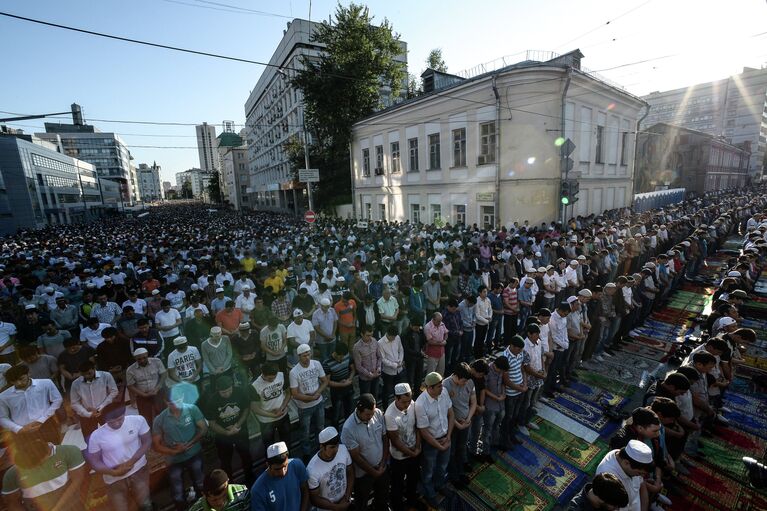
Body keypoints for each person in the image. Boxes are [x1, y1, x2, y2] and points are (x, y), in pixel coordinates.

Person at [86, 403, 153, 511]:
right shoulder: (96, 436)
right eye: (111, 422)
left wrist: (132, 461)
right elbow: (94, 462)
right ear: (105, 421)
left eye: (120, 419)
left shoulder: (137, 420)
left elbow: (147, 441)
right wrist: (113, 472)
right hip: (114, 479)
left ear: (124, 413)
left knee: (145, 504)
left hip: (139, 470)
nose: (117, 424)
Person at [1, 431, 86, 511]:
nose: (27, 469)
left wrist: (56, 508)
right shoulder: (11, 474)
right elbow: (12, 503)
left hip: (72, 507)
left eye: (31, 466)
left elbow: (77, 480)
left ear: (45, 458)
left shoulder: (70, 452)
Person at [152, 389, 208, 511]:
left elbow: (203, 428)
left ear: (182, 397)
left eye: (178, 401)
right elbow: (156, 445)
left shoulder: (192, 409)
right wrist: (173, 451)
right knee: (177, 493)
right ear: (165, 402)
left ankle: (204, 507)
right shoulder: (159, 420)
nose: (176, 405)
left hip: (194, 454)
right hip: (173, 461)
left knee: (201, 484)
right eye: (171, 403)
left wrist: (190, 443)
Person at [201, 375, 255, 487]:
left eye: (229, 390)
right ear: (218, 390)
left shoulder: (240, 392)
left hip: (240, 430)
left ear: (232, 386)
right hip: (223, 436)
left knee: (246, 456)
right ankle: (229, 484)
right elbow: (211, 423)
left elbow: (246, 408)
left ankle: (251, 479)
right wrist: (226, 432)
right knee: (225, 462)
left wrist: (238, 425)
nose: (227, 394)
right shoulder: (212, 401)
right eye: (224, 392)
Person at [340, 393, 389, 511]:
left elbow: (385, 437)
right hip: (363, 475)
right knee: (362, 502)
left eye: (372, 413)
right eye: (368, 414)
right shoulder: (348, 428)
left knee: (382, 496)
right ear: (359, 410)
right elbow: (356, 457)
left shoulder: (377, 413)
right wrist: (373, 472)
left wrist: (383, 462)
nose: (371, 416)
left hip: (381, 467)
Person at [414, 371, 454, 508]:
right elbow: (424, 432)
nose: (442, 388)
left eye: (441, 385)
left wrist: (448, 437)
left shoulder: (443, 393)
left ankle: (439, 485)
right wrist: (439, 445)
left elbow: (451, 414)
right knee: (428, 470)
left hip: (445, 438)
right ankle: (429, 493)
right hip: (431, 443)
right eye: (438, 386)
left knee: (442, 466)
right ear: (429, 388)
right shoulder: (420, 404)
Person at [0, 364, 63, 444]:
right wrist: (19, 429)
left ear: (29, 374)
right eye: (14, 381)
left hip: (46, 424)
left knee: (55, 449)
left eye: (21, 379)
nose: (18, 383)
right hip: (22, 432)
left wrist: (42, 419)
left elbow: (57, 400)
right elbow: (2, 417)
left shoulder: (45, 383)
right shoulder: (3, 396)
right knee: (30, 455)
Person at [384, 382, 421, 511]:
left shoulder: (412, 405)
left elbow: (417, 426)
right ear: (396, 399)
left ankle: (411, 502)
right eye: (404, 402)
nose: (407, 405)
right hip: (399, 457)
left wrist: (417, 446)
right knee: (397, 485)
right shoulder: (389, 415)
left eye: (409, 401)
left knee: (413, 479)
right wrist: (411, 453)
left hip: (414, 451)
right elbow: (395, 440)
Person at [290, 344, 329, 462]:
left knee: (320, 427)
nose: (306, 357)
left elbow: (324, 381)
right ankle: (306, 454)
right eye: (303, 355)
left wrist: (318, 393)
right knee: (305, 433)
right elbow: (294, 393)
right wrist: (311, 398)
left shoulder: (316, 364)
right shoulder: (294, 372)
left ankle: (320, 448)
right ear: (298, 357)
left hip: (319, 403)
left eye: (308, 354)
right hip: (305, 407)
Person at [442, 362, 476, 489]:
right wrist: (458, 424)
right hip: (453, 425)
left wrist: (468, 419)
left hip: (465, 423)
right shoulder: (445, 386)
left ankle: (460, 472)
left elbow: (473, 402)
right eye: (463, 381)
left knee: (462, 449)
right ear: (456, 376)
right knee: (451, 452)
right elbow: (446, 410)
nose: (465, 383)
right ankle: (454, 476)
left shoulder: (469, 382)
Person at [595, 440, 655, 511]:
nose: (641, 476)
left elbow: (641, 484)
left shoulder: (626, 457)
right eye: (639, 473)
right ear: (626, 463)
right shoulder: (608, 478)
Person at [250, 441, 310, 511]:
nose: (283, 472)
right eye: (277, 469)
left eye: (285, 466)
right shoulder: (258, 489)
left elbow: (305, 491)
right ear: (268, 465)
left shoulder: (297, 465)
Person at [306, 426, 353, 511]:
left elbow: (350, 473)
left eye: (337, 445)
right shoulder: (312, 469)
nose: (336, 450)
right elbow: (314, 499)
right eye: (332, 447)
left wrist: (346, 497)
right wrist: (336, 507)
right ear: (322, 447)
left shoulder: (343, 450)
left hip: (345, 502)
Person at [70, 360, 118, 439]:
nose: (87, 376)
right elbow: (74, 403)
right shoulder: (76, 383)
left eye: (89, 373)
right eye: (83, 374)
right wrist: (87, 414)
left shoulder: (106, 375)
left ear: (94, 368)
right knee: (89, 438)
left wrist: (101, 407)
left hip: (106, 409)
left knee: (112, 433)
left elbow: (114, 391)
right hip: (86, 413)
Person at [251, 362, 291, 451]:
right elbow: (254, 408)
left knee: (287, 442)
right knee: (269, 446)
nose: (272, 380)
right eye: (269, 378)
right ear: (263, 374)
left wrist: (282, 407)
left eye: (274, 377)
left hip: (282, 415)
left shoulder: (281, 375)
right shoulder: (255, 386)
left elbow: (288, 393)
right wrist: (273, 415)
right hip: (266, 421)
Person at [126, 347, 167, 425]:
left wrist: (157, 388)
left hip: (158, 392)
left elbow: (164, 374)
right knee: (145, 418)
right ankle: (150, 434)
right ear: (135, 358)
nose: (142, 360)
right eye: (139, 359)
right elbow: (130, 385)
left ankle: (165, 432)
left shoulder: (157, 361)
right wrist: (144, 395)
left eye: (144, 358)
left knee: (163, 414)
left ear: (147, 355)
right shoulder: (130, 369)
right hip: (142, 396)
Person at [500, 336, 528, 448]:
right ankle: (504, 439)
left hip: (520, 390)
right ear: (512, 346)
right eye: (519, 349)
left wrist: (525, 382)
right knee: (508, 417)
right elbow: (506, 380)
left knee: (515, 415)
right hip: (511, 394)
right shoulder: (505, 357)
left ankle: (512, 435)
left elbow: (522, 369)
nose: (520, 352)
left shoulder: (519, 353)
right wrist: (519, 388)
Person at [322, 342, 355, 427]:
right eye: (340, 356)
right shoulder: (327, 363)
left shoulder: (347, 356)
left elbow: (353, 370)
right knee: (336, 415)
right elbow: (328, 382)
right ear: (335, 353)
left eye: (343, 356)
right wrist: (342, 384)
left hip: (348, 388)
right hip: (337, 392)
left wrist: (349, 379)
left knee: (350, 411)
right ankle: (335, 432)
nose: (342, 358)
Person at [378, 324, 404, 408]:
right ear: (388, 334)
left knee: (399, 390)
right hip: (388, 372)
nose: (393, 339)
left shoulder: (397, 338)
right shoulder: (380, 343)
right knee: (386, 392)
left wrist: (400, 360)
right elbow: (383, 359)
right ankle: (385, 409)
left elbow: (401, 350)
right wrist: (394, 365)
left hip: (399, 370)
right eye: (392, 337)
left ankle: (399, 406)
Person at [352, 325, 382, 400]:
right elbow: (358, 366)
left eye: (371, 335)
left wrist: (378, 368)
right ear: (362, 334)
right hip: (365, 379)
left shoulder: (374, 341)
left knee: (375, 397)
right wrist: (370, 374)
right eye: (368, 335)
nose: (370, 337)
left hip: (376, 375)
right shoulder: (357, 347)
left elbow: (379, 357)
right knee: (366, 399)